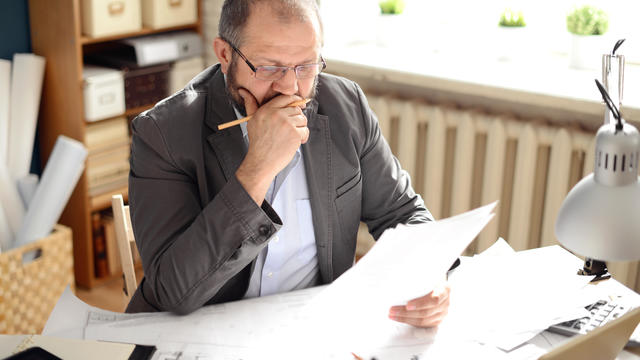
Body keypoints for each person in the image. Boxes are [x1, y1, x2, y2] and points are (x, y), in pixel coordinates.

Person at [126, 0, 451, 328]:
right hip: (203, 333)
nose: (290, 88)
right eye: (269, 68)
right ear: (225, 55)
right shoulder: (163, 132)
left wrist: (430, 274)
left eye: (306, 66)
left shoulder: (346, 106)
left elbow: (404, 213)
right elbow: (173, 293)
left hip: (315, 329)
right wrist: (258, 168)